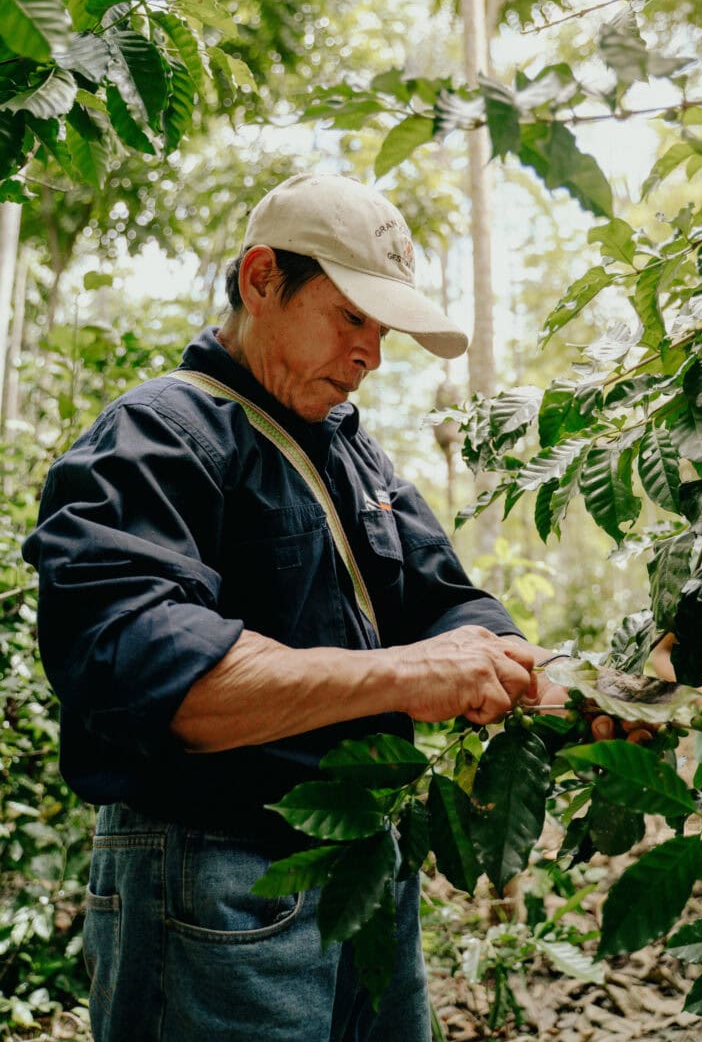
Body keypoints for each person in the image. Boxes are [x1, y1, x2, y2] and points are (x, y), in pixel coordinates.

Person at [23, 173, 559, 1042]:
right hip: (218, 882)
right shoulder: (156, 437)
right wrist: (402, 675)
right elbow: (163, 679)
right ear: (262, 278)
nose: (371, 355)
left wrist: (552, 681)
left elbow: (446, 602)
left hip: (365, 874)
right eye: (352, 317)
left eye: (380, 330)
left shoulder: (355, 455)